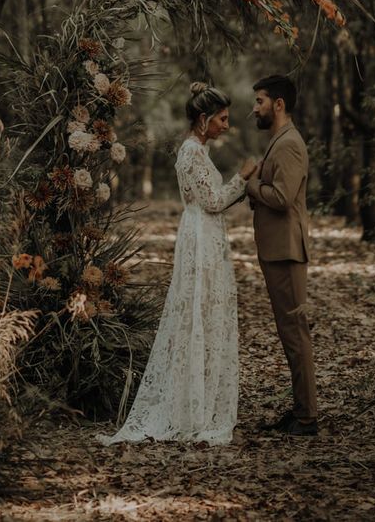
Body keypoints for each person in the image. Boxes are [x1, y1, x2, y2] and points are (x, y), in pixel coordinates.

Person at [97, 82, 258, 445]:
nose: (226, 126)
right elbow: (213, 201)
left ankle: (198, 399)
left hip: (206, 234)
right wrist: (243, 178)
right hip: (200, 236)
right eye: (222, 119)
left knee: (206, 312)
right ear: (203, 119)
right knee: (196, 312)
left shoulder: (199, 150)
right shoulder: (191, 153)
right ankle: (188, 407)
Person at [246, 74, 318, 436]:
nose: (254, 108)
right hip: (277, 249)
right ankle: (300, 409)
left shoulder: (289, 143)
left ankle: (307, 417)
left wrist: (252, 184)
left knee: (295, 333)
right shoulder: (279, 140)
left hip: (287, 251)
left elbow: (281, 198)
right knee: (289, 332)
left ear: (278, 104)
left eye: (259, 101)